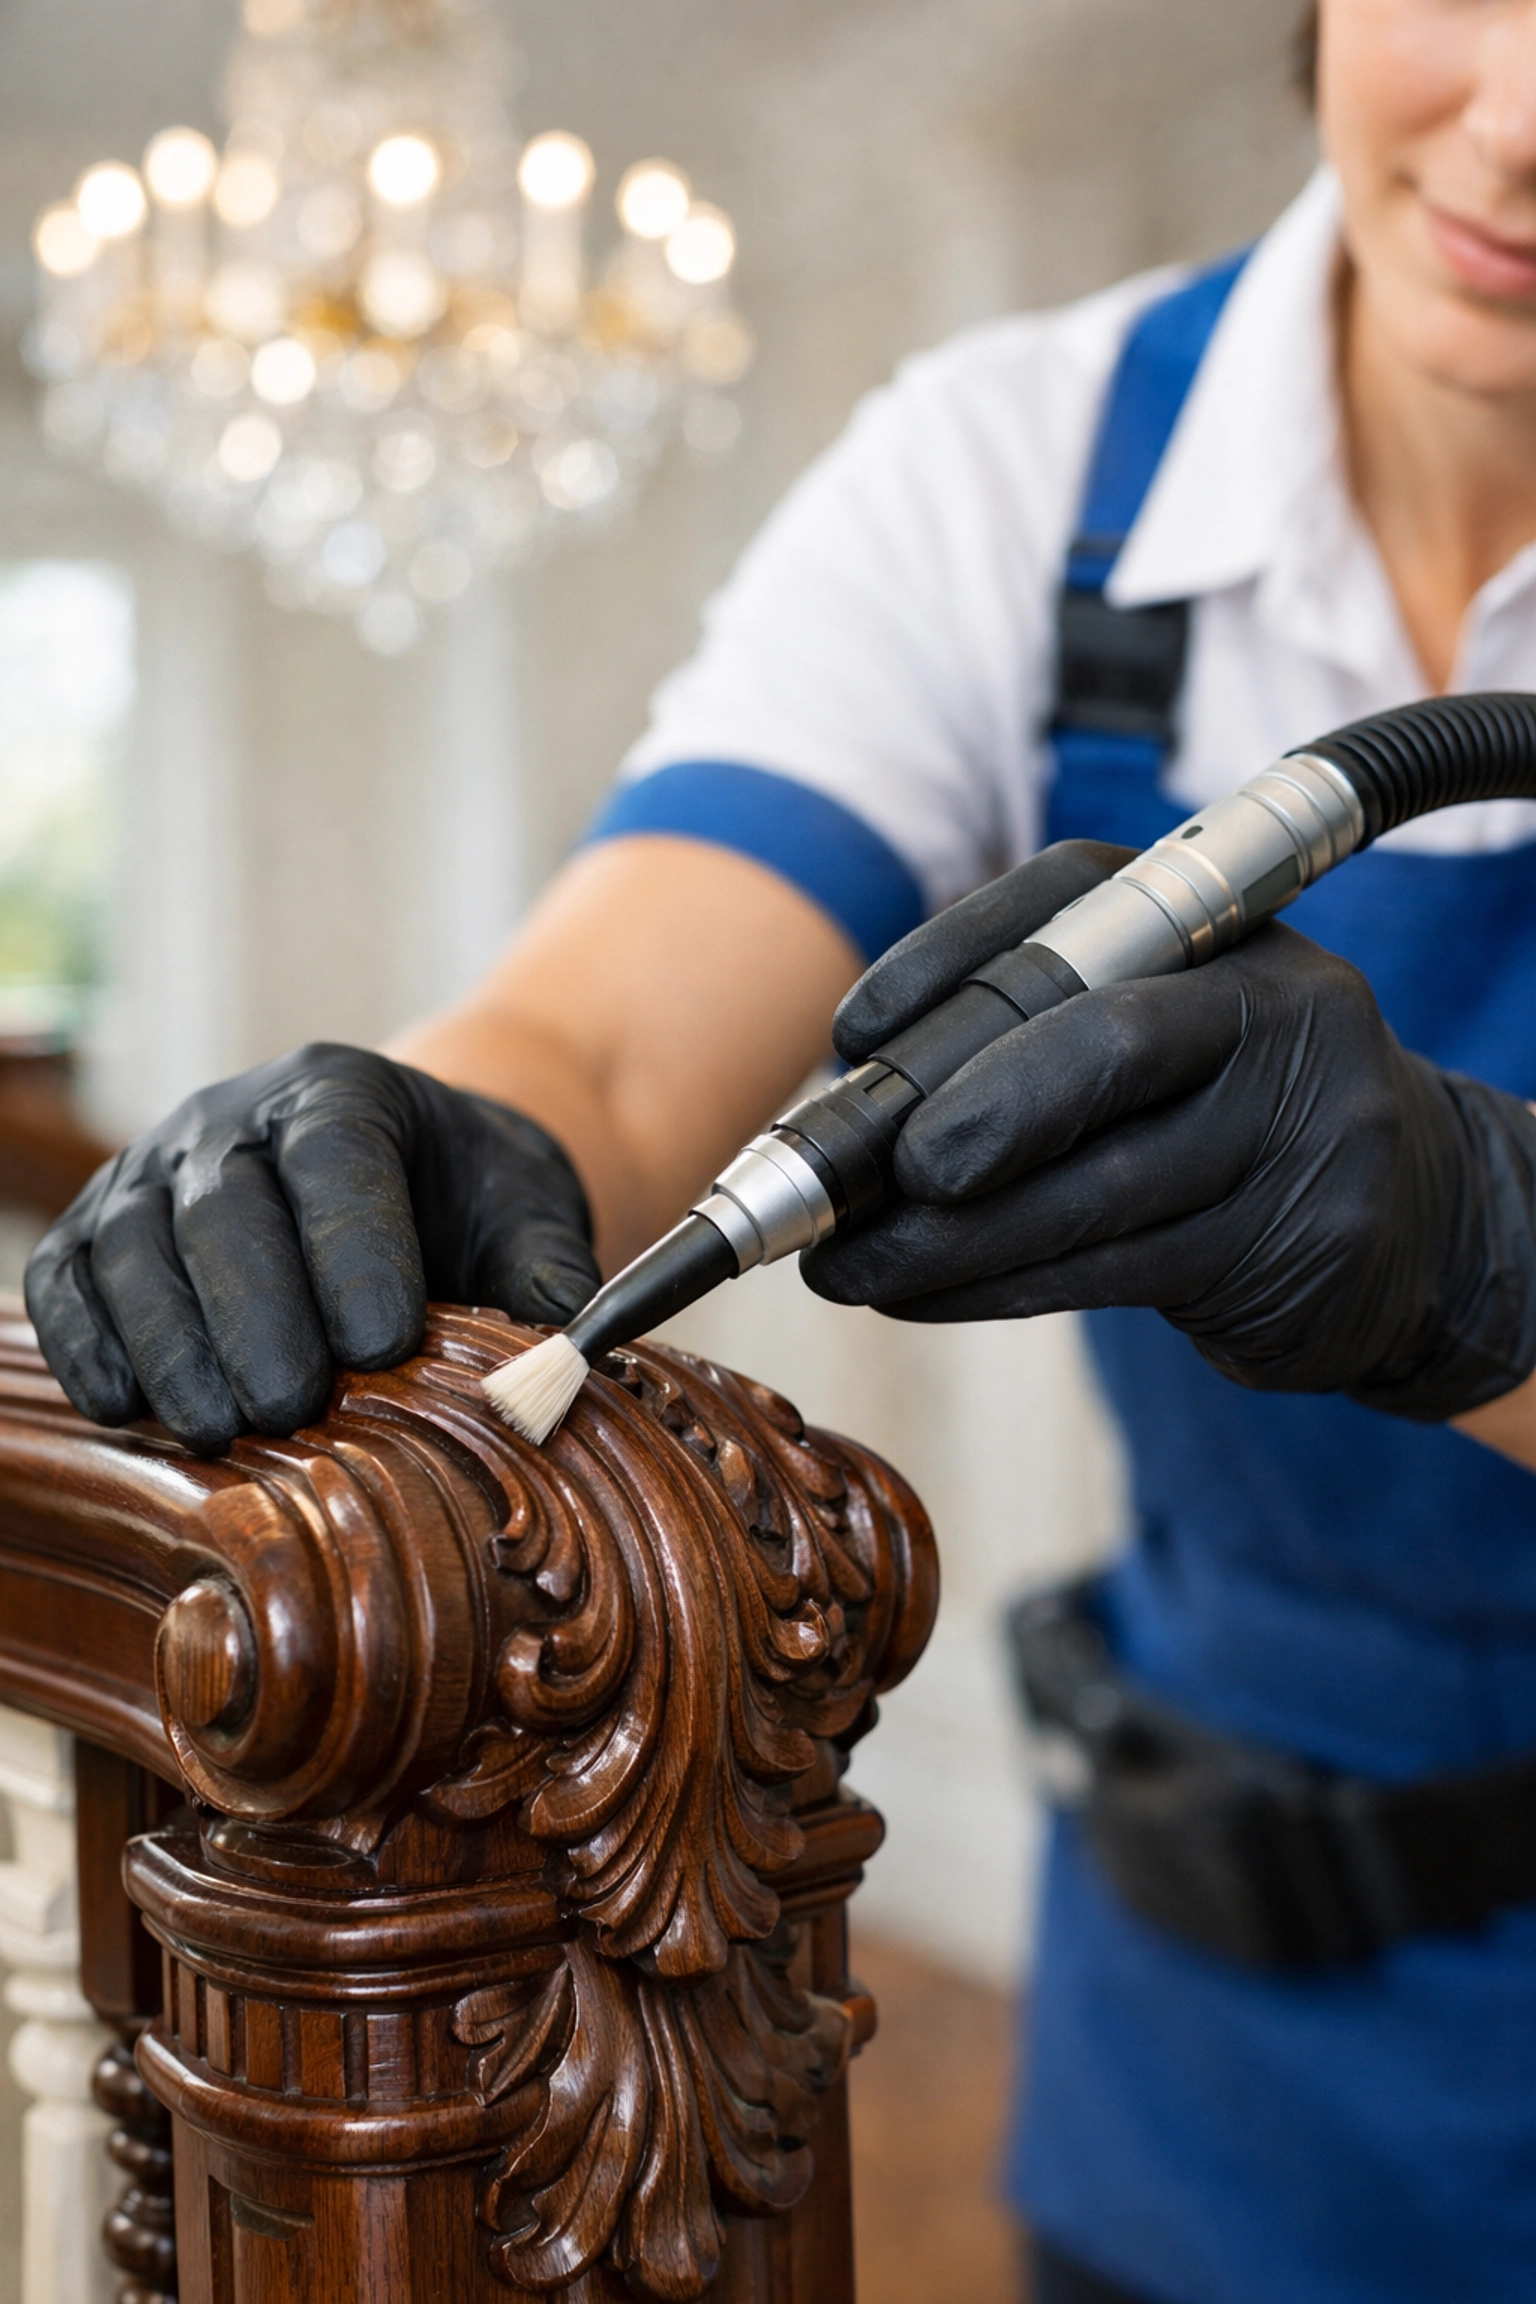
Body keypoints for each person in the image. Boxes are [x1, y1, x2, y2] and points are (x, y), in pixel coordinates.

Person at [27, 1, 1536, 2295]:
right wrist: (421, 1136)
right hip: (1216, 2048)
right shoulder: (1027, 466)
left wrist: (1488, 1257)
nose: (1517, 125)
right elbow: (617, 1055)